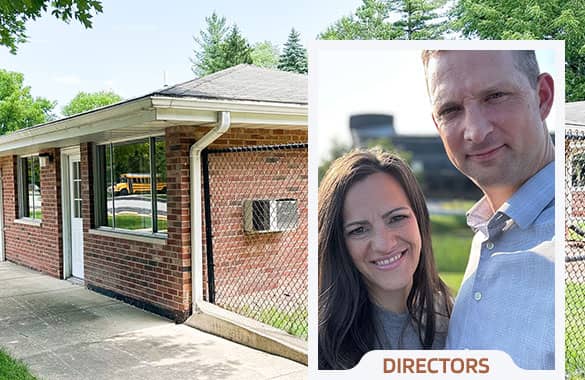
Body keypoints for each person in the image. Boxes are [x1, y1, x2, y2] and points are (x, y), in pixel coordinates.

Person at [422, 50, 555, 370]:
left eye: (495, 96)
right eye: (450, 109)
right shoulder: (486, 231)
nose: (475, 132)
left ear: (543, 97)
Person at [318, 149, 452, 370]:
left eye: (397, 218)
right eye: (359, 230)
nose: (384, 244)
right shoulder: (324, 345)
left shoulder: (458, 320)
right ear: (339, 245)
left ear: (419, 218)